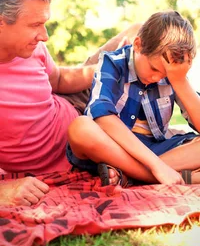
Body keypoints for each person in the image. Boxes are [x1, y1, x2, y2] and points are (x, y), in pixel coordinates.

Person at [0, 0, 141, 207]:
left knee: (141, 32)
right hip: (77, 146)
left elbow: (61, 80)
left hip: (74, 106)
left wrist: (103, 70)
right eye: (35, 25)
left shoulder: (34, 49)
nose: (44, 36)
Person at [67, 11, 200, 187]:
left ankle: (130, 175)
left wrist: (179, 81)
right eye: (153, 69)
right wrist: (157, 165)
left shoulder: (173, 73)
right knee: (80, 128)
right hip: (114, 147)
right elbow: (101, 117)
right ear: (138, 44)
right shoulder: (112, 63)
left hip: (155, 148)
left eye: (165, 74)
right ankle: (167, 176)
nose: (157, 77)